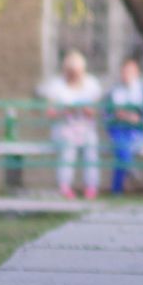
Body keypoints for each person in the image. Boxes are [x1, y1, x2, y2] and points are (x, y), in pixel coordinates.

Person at [40, 51, 102, 201]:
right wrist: (65, 111)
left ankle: (91, 187)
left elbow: (98, 110)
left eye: (77, 72)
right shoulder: (56, 85)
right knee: (68, 149)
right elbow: (49, 112)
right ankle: (65, 186)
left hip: (85, 127)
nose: (74, 75)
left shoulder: (91, 84)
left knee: (91, 148)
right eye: (71, 71)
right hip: (64, 128)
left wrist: (88, 110)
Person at [105, 56, 143, 195]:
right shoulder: (114, 91)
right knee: (121, 146)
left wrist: (134, 118)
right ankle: (130, 168)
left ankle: (116, 190)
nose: (126, 75)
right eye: (125, 71)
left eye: (130, 71)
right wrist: (124, 116)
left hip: (136, 132)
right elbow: (108, 114)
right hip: (118, 130)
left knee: (122, 152)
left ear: (137, 73)